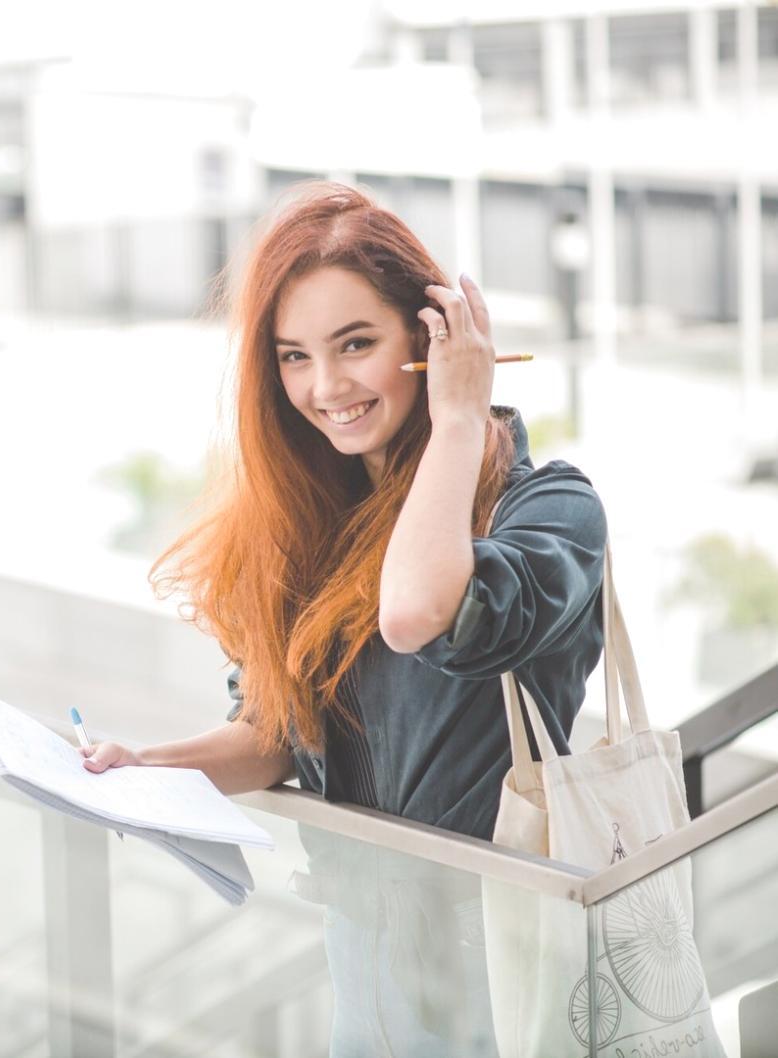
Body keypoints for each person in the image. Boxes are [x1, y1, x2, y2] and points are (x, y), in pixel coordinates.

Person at [78, 181, 608, 1056]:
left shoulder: (549, 510)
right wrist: (149, 766)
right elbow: (279, 737)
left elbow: (416, 614)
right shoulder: (309, 527)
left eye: (355, 344)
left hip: (509, 958)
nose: (325, 387)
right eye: (293, 356)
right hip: (366, 952)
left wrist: (460, 420)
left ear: (429, 337)